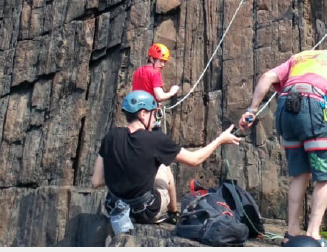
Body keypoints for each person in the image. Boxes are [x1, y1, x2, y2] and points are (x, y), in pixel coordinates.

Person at [238, 49, 327, 246]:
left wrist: (252, 110)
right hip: (313, 106)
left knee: (300, 174)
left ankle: (291, 233)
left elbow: (268, 76)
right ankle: (313, 235)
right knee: (326, 176)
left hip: (286, 108)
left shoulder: (300, 57)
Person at [91, 90, 241, 233]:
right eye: (154, 113)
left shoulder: (110, 136)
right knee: (164, 166)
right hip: (145, 212)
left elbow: (97, 181)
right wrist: (220, 140)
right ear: (143, 114)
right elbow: (194, 160)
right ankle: (173, 212)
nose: (155, 118)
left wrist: (126, 174)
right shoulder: (156, 141)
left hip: (114, 208)